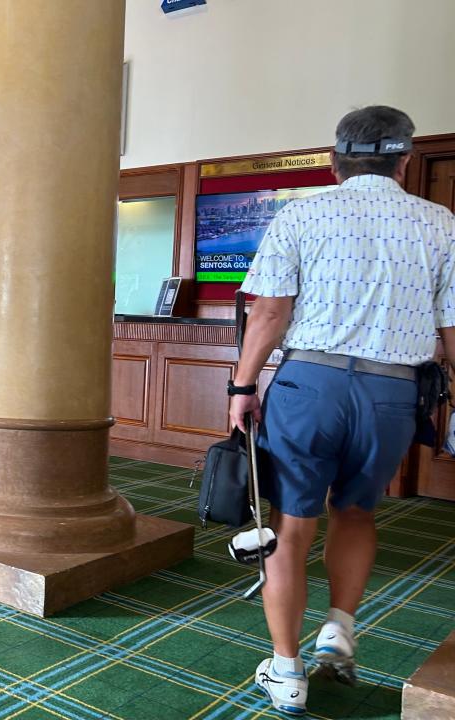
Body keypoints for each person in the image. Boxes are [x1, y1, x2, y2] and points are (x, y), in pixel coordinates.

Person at [228, 105, 455, 715]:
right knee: (357, 511)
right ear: (404, 161)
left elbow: (269, 314)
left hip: (310, 385)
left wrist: (243, 388)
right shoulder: (442, 223)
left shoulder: (301, 213)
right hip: (392, 394)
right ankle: (339, 627)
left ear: (335, 163)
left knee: (291, 526)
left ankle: (286, 671)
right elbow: (453, 327)